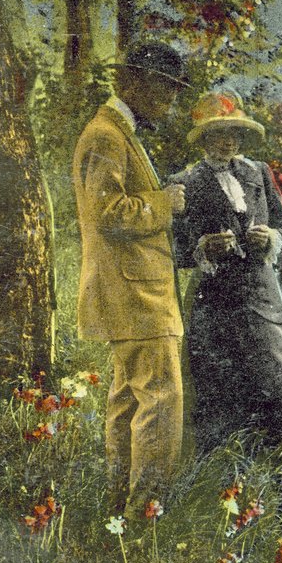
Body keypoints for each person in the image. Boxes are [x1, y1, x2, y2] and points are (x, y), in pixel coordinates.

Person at [172, 90, 282, 507]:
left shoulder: (258, 173)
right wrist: (203, 248)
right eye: (220, 134)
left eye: (235, 134)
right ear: (204, 139)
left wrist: (273, 238)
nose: (228, 142)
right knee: (219, 406)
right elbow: (173, 248)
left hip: (262, 301)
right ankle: (220, 508)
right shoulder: (185, 182)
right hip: (213, 308)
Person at [73, 42, 189, 520]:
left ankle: (120, 512)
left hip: (134, 293)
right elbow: (108, 215)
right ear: (134, 84)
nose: (171, 102)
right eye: (166, 90)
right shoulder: (106, 135)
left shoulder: (116, 132)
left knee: (127, 403)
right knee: (161, 402)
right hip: (136, 296)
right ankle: (146, 515)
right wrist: (166, 204)